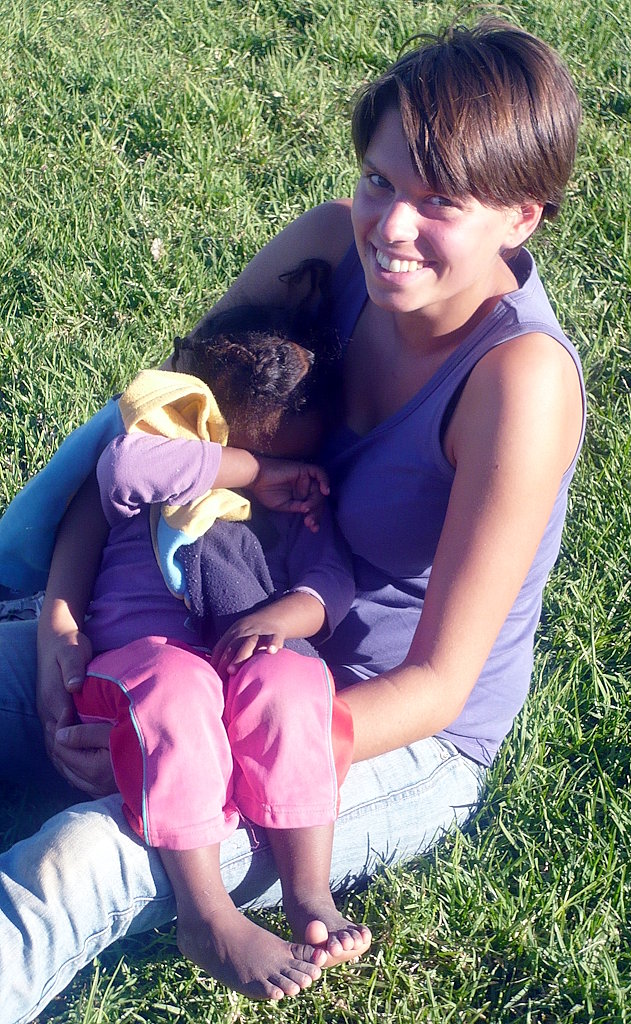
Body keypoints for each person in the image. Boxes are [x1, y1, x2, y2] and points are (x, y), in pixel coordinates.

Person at [0, 18, 585, 1024]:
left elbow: (439, 685)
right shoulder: (325, 248)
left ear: (521, 216)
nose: (390, 226)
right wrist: (60, 622)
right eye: (379, 181)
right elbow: (148, 444)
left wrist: (204, 740)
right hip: (187, 629)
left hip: (361, 721)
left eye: (439, 202)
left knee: (83, 861)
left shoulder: (517, 385)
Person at [70, 303, 368, 1000]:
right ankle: (205, 915)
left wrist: (283, 614)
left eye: (292, 457)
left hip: (237, 666)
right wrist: (246, 471)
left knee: (294, 683)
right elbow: (123, 468)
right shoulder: (170, 466)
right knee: (179, 688)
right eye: (263, 455)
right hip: (136, 670)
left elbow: (330, 580)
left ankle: (308, 891)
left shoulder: (298, 497)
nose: (283, 475)